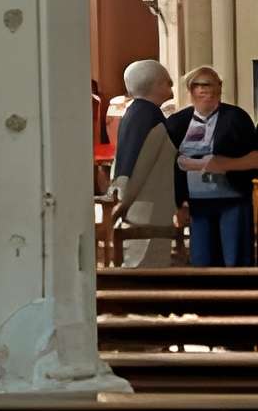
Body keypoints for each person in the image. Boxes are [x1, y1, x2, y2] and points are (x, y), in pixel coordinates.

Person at [166, 66, 258, 268]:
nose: (204, 90)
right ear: (190, 91)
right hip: (197, 205)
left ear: (219, 87)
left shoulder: (236, 118)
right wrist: (178, 204)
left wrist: (227, 164)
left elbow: (255, 158)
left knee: (235, 261)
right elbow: (169, 165)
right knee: (201, 262)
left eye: (209, 84)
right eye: (198, 85)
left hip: (232, 200)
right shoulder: (177, 122)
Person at [106, 58, 177, 266]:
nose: (171, 86)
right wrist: (124, 201)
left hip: (143, 203)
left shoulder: (136, 112)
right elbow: (139, 163)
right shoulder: (147, 115)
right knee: (145, 265)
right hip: (146, 206)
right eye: (167, 82)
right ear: (155, 85)